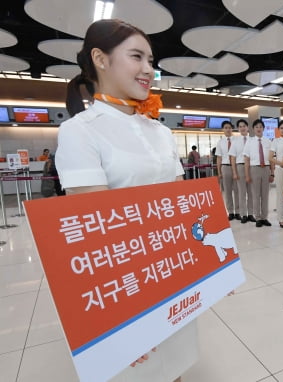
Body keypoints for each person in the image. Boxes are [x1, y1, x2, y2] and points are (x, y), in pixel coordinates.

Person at [55, 19, 197, 382]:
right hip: (127, 281)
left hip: (171, 269)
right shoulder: (79, 132)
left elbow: (182, 205)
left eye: (151, 60)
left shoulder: (162, 132)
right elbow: (94, 231)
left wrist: (206, 268)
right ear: (100, 59)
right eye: (137, 57)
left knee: (175, 362)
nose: (149, 69)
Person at [243, 119, 274, 227]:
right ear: (253, 129)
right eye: (256, 127)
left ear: (263, 129)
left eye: (260, 127)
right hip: (254, 169)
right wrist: (247, 175)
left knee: (265, 195)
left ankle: (265, 217)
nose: (259, 129)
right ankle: (258, 218)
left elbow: (271, 159)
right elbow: (246, 159)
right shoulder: (249, 141)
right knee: (256, 195)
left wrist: (272, 173)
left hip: (266, 169)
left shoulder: (268, 142)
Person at [230, 119, 255, 223]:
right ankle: (243, 214)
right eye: (240, 126)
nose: (242, 128)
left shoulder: (253, 140)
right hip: (240, 167)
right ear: (238, 128)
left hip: (251, 167)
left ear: (247, 127)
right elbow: (233, 158)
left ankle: (251, 214)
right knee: (242, 192)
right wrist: (235, 172)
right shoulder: (235, 141)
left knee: (251, 192)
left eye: (244, 126)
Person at [215, 120, 240, 220]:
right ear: (223, 130)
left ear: (232, 128)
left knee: (237, 190)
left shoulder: (237, 140)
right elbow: (219, 158)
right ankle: (230, 212)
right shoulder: (220, 142)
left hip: (236, 167)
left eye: (229, 127)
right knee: (228, 191)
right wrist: (219, 172)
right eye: (226, 128)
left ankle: (238, 211)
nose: (228, 129)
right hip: (225, 167)